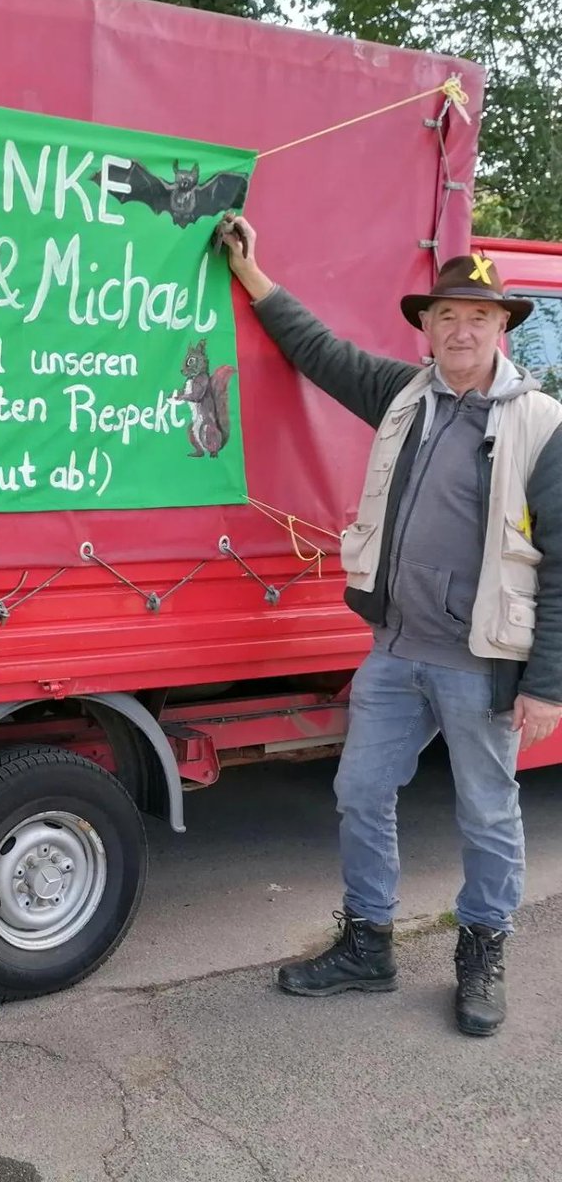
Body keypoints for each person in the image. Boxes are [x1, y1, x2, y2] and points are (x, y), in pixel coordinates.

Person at [219, 215, 562, 1037]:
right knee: (360, 792)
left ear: (503, 327)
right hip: (396, 652)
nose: (461, 328)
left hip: (481, 666)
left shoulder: (541, 425)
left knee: (487, 812)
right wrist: (252, 272)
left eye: (479, 316)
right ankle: (368, 943)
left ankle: (483, 950)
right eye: (447, 314)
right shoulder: (404, 397)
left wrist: (548, 685)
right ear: (427, 326)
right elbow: (320, 352)